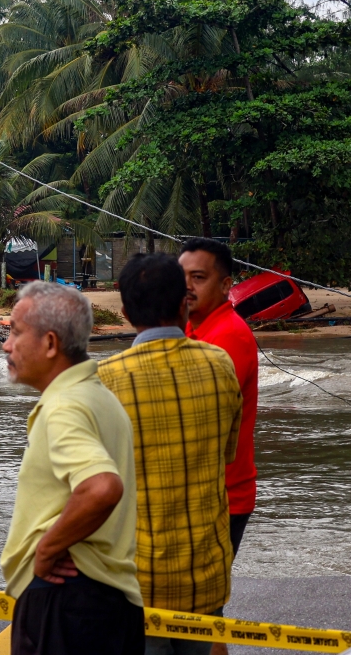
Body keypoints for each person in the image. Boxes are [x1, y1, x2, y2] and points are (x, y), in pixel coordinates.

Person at [97, 253, 242, 655]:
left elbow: (95, 483)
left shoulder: (105, 379)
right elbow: (227, 454)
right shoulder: (220, 365)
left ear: (124, 313)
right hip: (205, 573)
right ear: (184, 302)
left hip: (135, 580)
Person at [0, 282, 143, 655]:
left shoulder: (63, 406)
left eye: (15, 332)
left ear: (50, 344)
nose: (6, 345)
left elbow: (101, 487)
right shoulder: (99, 396)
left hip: (65, 603)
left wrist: (46, 549)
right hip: (111, 602)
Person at [179, 240, 258, 655]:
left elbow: (195, 425)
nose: (187, 287)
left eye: (199, 277)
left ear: (226, 284)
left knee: (201, 611)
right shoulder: (197, 328)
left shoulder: (226, 338)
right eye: (183, 277)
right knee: (201, 613)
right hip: (210, 492)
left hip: (221, 495)